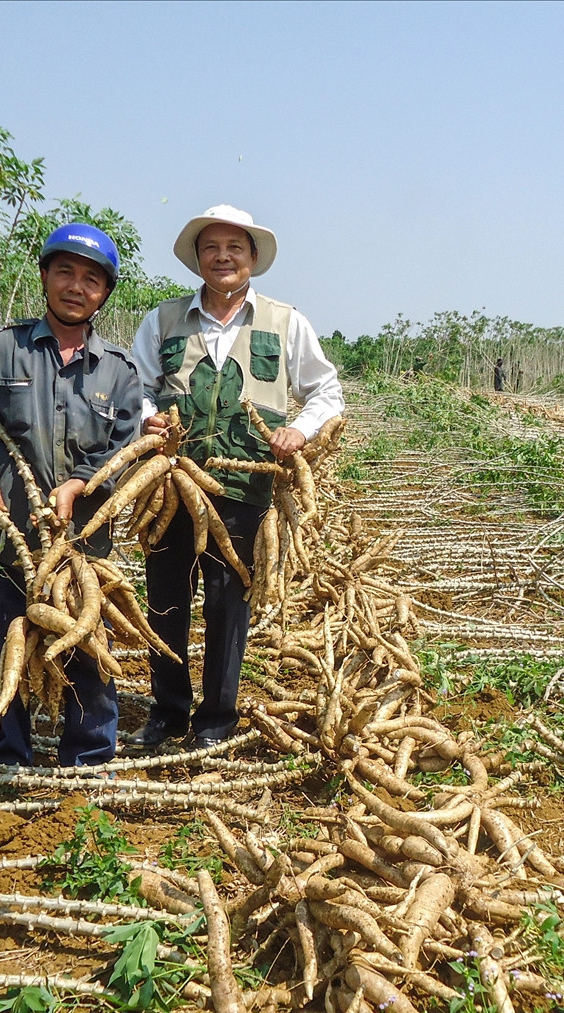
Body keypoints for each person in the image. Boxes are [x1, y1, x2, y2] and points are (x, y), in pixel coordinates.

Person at [0, 223, 141, 791]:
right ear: (44, 276)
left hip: (78, 546)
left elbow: (125, 448)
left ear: (105, 293)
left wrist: (81, 484)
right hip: (1, 536)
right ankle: (10, 755)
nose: (76, 286)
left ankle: (88, 760)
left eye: (91, 279)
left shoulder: (118, 370)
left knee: (85, 646)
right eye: (64, 271)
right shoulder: (0, 349)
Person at [129, 205, 345, 750]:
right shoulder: (163, 319)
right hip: (169, 483)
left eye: (234, 248)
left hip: (242, 488)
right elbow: (133, 385)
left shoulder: (285, 320)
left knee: (230, 601)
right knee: (165, 599)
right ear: (198, 259)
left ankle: (216, 718)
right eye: (211, 248)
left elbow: (326, 390)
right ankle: (169, 710)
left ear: (252, 259)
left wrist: (299, 430)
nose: (222, 257)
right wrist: (146, 416)